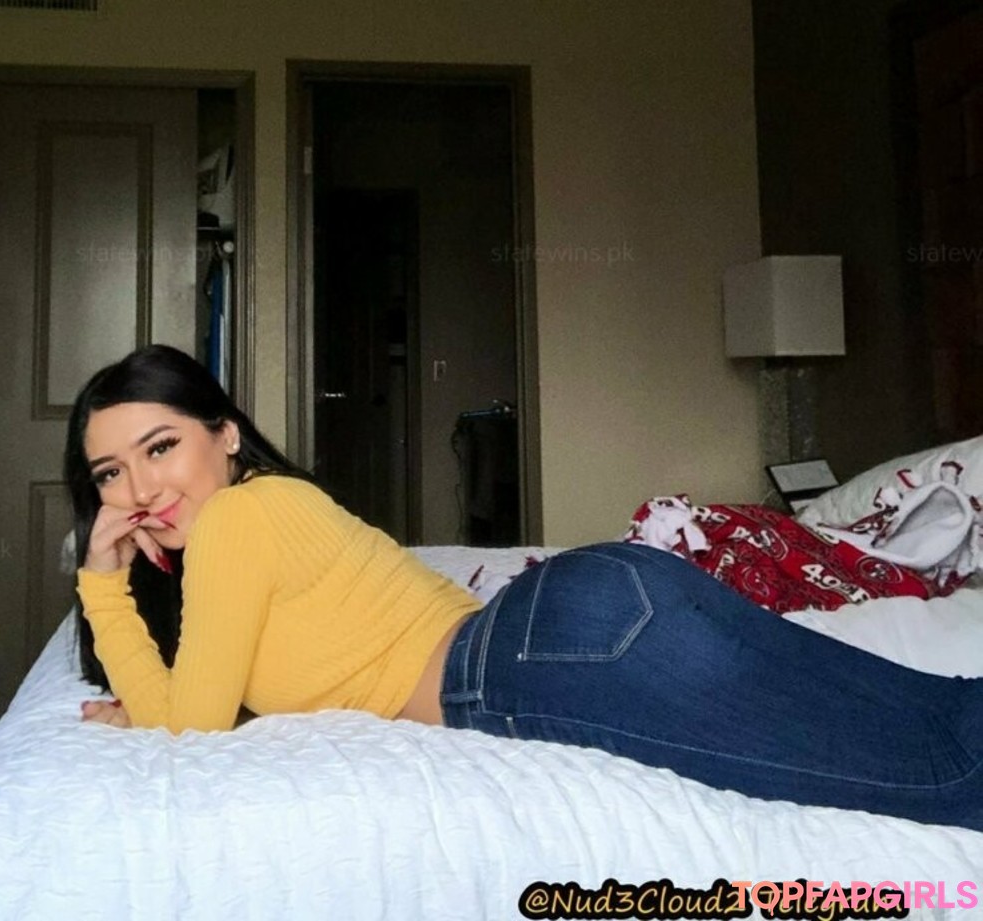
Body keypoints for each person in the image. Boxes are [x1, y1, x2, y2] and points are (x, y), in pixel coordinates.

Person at [70, 345, 983, 829]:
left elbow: (190, 729)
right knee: (938, 722)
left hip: (539, 658)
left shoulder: (234, 521)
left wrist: (105, 587)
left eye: (161, 447)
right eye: (111, 472)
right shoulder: (276, 504)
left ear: (225, 434)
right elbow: (211, 693)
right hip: (587, 605)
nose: (140, 489)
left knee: (943, 776)